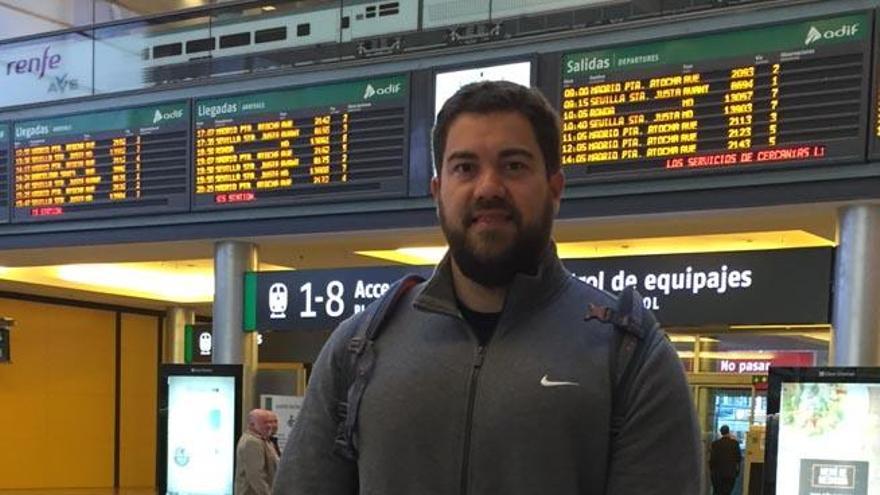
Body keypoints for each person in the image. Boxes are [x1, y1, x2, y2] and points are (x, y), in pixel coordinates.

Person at [273, 80, 702, 494]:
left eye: (514, 165)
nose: (489, 188)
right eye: (465, 167)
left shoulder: (628, 354)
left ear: (555, 187)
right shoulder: (361, 347)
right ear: (438, 192)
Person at [235, 408, 279, 495]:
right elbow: (256, 476)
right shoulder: (252, 442)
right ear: (252, 425)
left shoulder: (264, 440)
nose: (270, 425)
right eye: (265, 422)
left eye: (272, 422)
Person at [709, 425, 742, 495]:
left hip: (717, 474)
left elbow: (712, 460)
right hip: (730, 474)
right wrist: (737, 471)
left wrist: (711, 470)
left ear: (721, 433)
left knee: (717, 492)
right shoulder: (735, 444)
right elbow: (739, 458)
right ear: (728, 432)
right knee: (727, 492)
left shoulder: (715, 444)